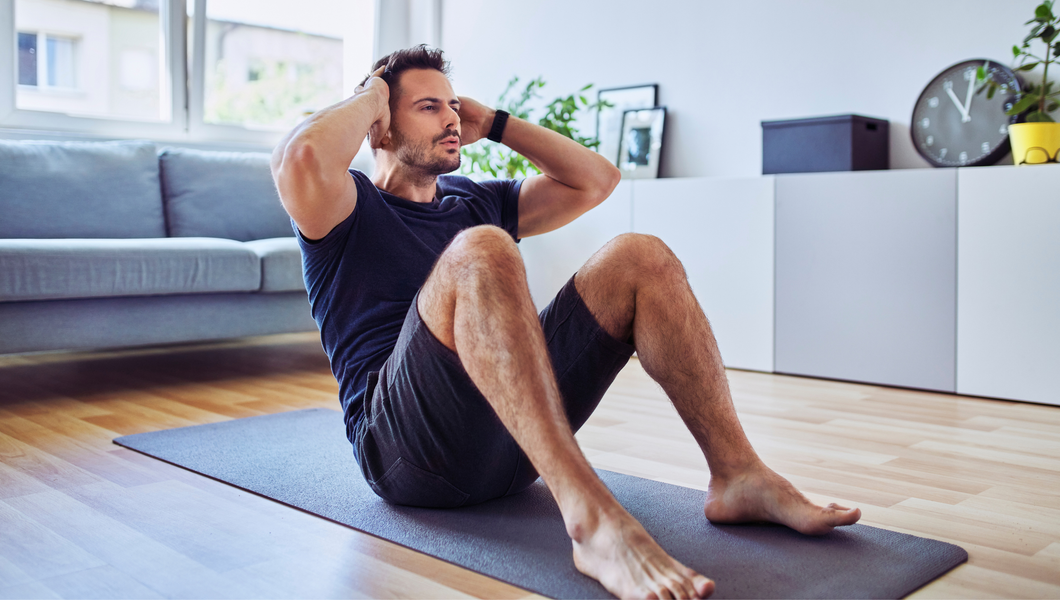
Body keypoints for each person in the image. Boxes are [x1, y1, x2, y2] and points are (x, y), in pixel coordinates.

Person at [270, 44, 861, 600]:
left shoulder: (472, 200)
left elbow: (596, 180)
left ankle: (738, 476)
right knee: (483, 249)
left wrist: (495, 122)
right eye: (429, 107)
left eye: (453, 105)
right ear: (382, 125)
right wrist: (373, 94)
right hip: (408, 456)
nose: (451, 119)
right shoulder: (343, 206)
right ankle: (589, 520)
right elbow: (300, 156)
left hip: (511, 447)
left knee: (640, 256)